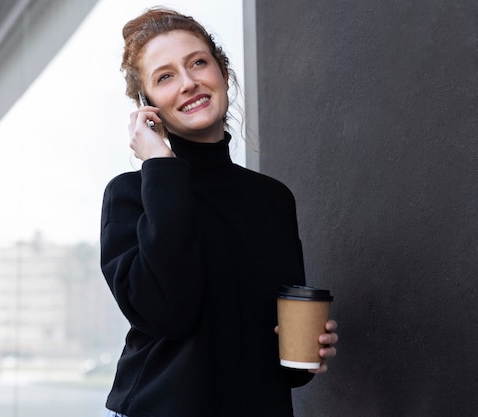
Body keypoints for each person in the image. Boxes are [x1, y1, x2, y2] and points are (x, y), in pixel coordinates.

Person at [99, 7, 339, 417]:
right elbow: (168, 313)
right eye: (165, 76)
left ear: (222, 73)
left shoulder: (273, 199)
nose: (189, 82)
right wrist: (160, 167)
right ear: (148, 105)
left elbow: (284, 359)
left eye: (198, 63)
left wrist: (307, 353)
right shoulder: (131, 195)